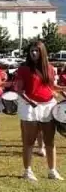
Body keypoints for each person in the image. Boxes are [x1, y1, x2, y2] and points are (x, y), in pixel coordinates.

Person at [12, 41, 60, 182]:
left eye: (37, 51)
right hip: (29, 106)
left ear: (42, 52)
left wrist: (61, 90)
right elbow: (19, 90)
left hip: (48, 105)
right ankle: (27, 171)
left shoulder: (50, 68)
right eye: (32, 51)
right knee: (29, 141)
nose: (34, 53)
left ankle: (52, 171)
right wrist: (30, 101)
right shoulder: (24, 69)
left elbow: (51, 86)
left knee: (50, 141)